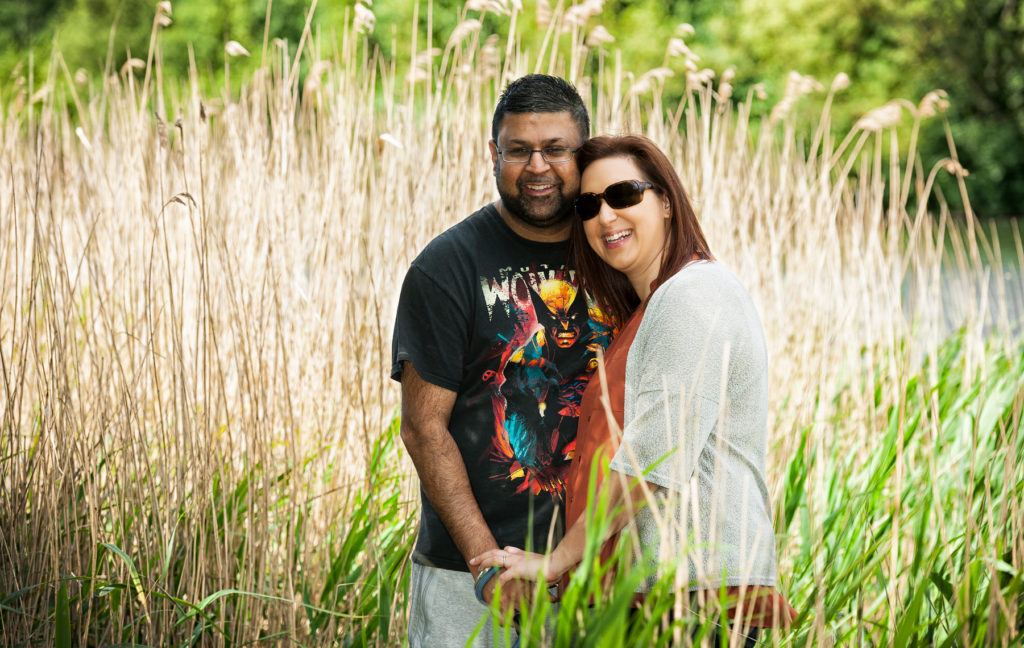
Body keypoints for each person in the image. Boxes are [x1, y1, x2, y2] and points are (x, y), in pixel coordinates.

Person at [471, 135, 797, 644]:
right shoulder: (651, 309)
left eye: (624, 195)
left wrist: (557, 560)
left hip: (694, 599)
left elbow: (652, 458)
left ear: (666, 202)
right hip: (660, 596)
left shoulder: (694, 294)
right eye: (589, 204)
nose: (606, 216)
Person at [391, 74, 613, 647]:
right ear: (494, 155)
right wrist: (485, 564)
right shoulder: (447, 266)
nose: (537, 166)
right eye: (519, 150)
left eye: (556, 149)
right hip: (466, 579)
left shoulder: (617, 256)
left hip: (597, 575)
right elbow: (423, 428)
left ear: (583, 154)